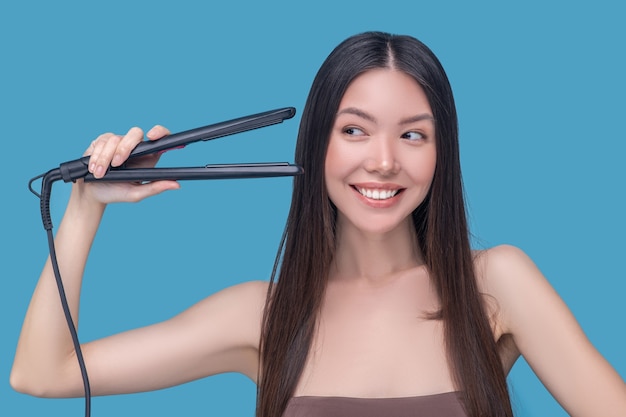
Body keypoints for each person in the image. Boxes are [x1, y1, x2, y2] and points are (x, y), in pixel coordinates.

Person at [10, 31, 626, 417]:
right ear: (316, 145)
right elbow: (43, 375)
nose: (383, 160)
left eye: (413, 134)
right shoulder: (264, 315)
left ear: (443, 152)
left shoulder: (496, 285)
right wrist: (85, 209)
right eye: (354, 130)